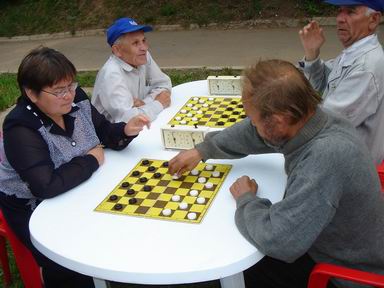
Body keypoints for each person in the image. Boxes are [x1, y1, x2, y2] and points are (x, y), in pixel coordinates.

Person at [168, 59, 384, 288]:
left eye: (254, 120)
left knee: (220, 275)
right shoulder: (315, 119)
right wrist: (203, 150)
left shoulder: (325, 158)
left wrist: (247, 200)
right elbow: (252, 135)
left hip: (347, 274)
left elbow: (280, 241)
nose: (252, 126)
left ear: (279, 122)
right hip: (334, 242)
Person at [0, 47, 150, 288]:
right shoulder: (20, 127)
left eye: (70, 85)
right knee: (71, 260)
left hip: (76, 185)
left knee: (121, 227)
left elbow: (103, 131)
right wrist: (91, 160)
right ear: (32, 93)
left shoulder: (76, 97)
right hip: (32, 206)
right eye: (59, 91)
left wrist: (124, 130)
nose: (69, 95)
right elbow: (45, 186)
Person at [298, 0, 384, 164]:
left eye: (350, 11)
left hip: (347, 170)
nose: (340, 18)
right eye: (340, 10)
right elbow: (324, 86)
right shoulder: (354, 53)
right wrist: (311, 53)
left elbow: (323, 123)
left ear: (373, 20)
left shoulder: (365, 68)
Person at [92, 17, 172, 123]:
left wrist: (145, 103)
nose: (144, 48)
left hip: (142, 128)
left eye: (144, 40)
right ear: (117, 50)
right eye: (135, 43)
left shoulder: (143, 56)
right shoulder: (111, 75)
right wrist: (158, 104)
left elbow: (164, 85)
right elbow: (129, 120)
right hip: (113, 136)